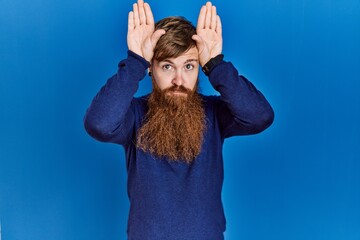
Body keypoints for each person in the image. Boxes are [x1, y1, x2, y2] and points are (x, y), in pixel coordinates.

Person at [84, 0, 274, 239]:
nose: (178, 79)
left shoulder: (214, 113)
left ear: (198, 68)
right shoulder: (133, 115)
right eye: (167, 66)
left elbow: (260, 116)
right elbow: (98, 124)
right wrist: (135, 62)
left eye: (189, 66)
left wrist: (216, 65)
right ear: (151, 68)